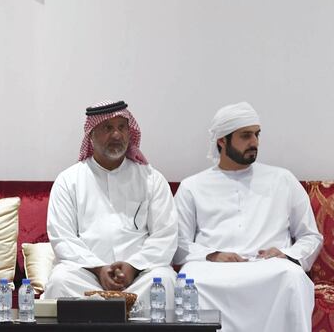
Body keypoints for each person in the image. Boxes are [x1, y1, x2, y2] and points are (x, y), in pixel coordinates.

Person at [174, 102, 322, 332]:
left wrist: (288, 254)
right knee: (188, 280)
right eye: (246, 136)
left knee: (291, 277)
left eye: (257, 134)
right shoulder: (192, 186)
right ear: (222, 141)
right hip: (212, 272)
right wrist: (212, 255)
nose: (255, 142)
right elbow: (178, 243)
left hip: (270, 270)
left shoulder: (282, 179)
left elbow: (311, 236)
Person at [42, 100, 178, 307]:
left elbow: (165, 235)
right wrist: (99, 268)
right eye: (107, 128)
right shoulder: (68, 180)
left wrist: (133, 267)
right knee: (60, 282)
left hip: (140, 276)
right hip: (86, 274)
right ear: (91, 135)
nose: (116, 135)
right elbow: (63, 237)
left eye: (122, 127)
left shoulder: (151, 178)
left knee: (164, 281)